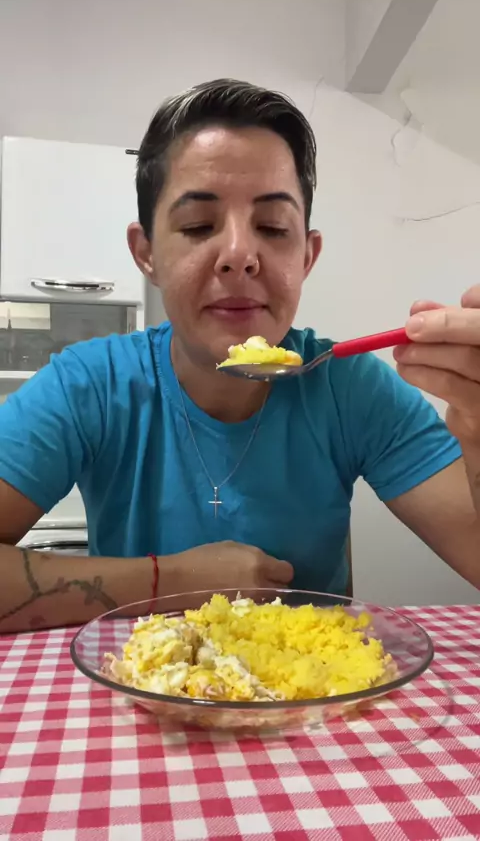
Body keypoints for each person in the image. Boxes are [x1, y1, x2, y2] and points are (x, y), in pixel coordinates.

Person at [0, 79, 479, 634]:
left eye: (273, 228)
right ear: (146, 253)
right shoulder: (89, 385)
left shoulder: (348, 386)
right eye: (198, 226)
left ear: (306, 257)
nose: (239, 254)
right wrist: (170, 581)